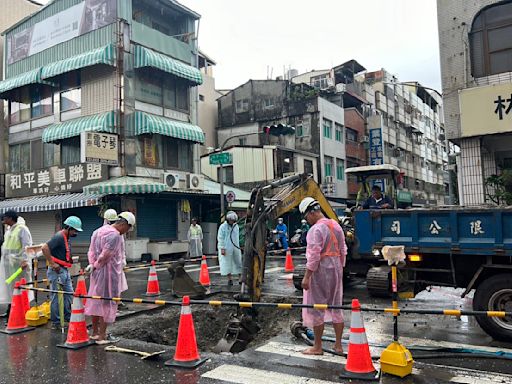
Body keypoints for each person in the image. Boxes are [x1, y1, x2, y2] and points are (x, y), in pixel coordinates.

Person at [299, 197, 346, 355]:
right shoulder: (336, 225)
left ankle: (317, 347)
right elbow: (343, 250)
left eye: (306, 217)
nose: (307, 220)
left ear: (311, 213)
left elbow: (314, 256)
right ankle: (338, 346)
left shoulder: (316, 230)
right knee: (336, 306)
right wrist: (340, 267)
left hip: (321, 270)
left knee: (317, 308)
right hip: (336, 268)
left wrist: (307, 277)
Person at [85, 212, 135, 344]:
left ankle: (95, 333)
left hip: (96, 273)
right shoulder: (115, 236)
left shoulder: (97, 232)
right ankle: (102, 336)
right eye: (128, 228)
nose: (127, 231)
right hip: (109, 274)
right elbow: (105, 255)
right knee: (107, 302)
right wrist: (96, 265)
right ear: (124, 224)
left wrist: (92, 265)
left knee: (95, 301)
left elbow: (90, 251)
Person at [42, 216, 83, 329]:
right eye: (75, 230)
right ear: (69, 228)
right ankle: (56, 322)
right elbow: (45, 248)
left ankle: (67, 316)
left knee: (69, 294)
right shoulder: (59, 237)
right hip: (56, 270)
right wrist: (52, 263)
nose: (76, 233)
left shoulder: (66, 237)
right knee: (56, 296)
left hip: (63, 269)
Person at [0, 211, 33, 318]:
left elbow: (26, 246)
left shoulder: (22, 229)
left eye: (5, 218)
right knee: (10, 288)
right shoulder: (9, 230)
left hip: (19, 266)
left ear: (10, 218)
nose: (3, 220)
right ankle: (11, 309)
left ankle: (21, 310)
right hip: (9, 265)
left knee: (21, 287)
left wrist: (25, 261)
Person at [217, 211, 242, 286]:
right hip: (226, 248)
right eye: (231, 220)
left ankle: (240, 277)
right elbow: (220, 238)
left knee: (238, 262)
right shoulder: (222, 227)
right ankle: (229, 279)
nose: (232, 222)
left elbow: (238, 237)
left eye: (233, 220)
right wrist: (222, 248)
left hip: (235, 247)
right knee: (227, 263)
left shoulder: (236, 226)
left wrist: (240, 246)